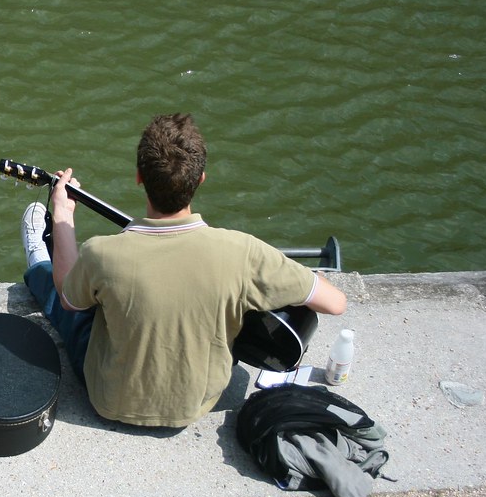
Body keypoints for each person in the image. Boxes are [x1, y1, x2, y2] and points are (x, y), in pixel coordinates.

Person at [20, 113, 347, 428]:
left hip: (109, 401)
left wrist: (63, 215)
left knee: (78, 308)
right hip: (196, 405)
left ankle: (39, 256)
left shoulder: (102, 252)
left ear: (139, 177)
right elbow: (336, 303)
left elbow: (67, 297)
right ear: (200, 179)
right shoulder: (243, 251)